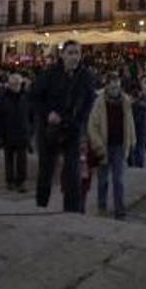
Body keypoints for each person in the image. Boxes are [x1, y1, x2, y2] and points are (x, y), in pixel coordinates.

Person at [31, 40, 96, 212]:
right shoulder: (50, 74)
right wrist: (48, 114)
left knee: (73, 172)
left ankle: (71, 211)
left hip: (72, 128)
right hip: (49, 129)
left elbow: (89, 102)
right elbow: (34, 97)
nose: (74, 57)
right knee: (46, 169)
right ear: (63, 55)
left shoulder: (86, 76)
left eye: (77, 53)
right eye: (71, 53)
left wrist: (79, 121)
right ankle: (41, 205)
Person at [87, 73, 135, 219]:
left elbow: (130, 123)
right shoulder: (99, 102)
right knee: (103, 180)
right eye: (112, 86)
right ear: (106, 86)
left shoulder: (125, 101)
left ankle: (120, 210)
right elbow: (92, 125)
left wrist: (132, 141)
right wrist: (97, 144)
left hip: (120, 145)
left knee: (118, 180)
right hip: (104, 145)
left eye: (117, 86)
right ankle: (102, 206)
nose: (115, 89)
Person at [0, 72, 31, 191]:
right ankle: (10, 180)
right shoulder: (4, 98)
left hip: (22, 132)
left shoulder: (25, 97)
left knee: (22, 159)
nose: (16, 86)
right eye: (14, 84)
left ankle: (21, 181)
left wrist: (29, 130)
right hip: (8, 132)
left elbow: (30, 115)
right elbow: (0, 117)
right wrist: (0, 134)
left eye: (18, 84)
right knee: (9, 159)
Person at [129, 84, 146, 168]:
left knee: (135, 145)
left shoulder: (133, 107)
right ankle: (140, 161)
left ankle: (135, 161)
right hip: (143, 128)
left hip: (135, 127)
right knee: (141, 145)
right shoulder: (145, 107)